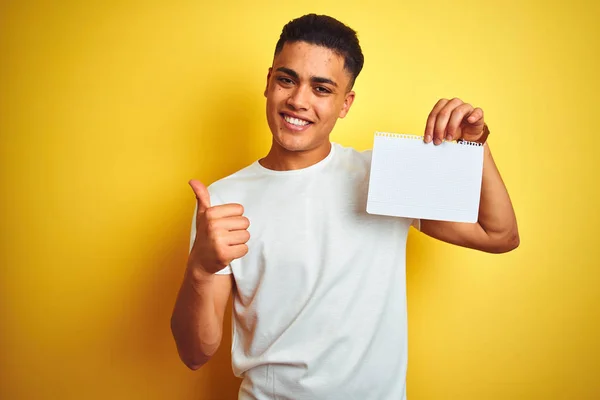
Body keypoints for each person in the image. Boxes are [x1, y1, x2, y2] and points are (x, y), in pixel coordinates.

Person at [170, 13, 519, 400]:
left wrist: (475, 144)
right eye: (287, 79)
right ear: (269, 82)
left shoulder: (385, 174)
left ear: (345, 103)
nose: (298, 101)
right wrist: (201, 269)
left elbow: (499, 234)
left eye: (321, 89)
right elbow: (194, 353)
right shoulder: (221, 201)